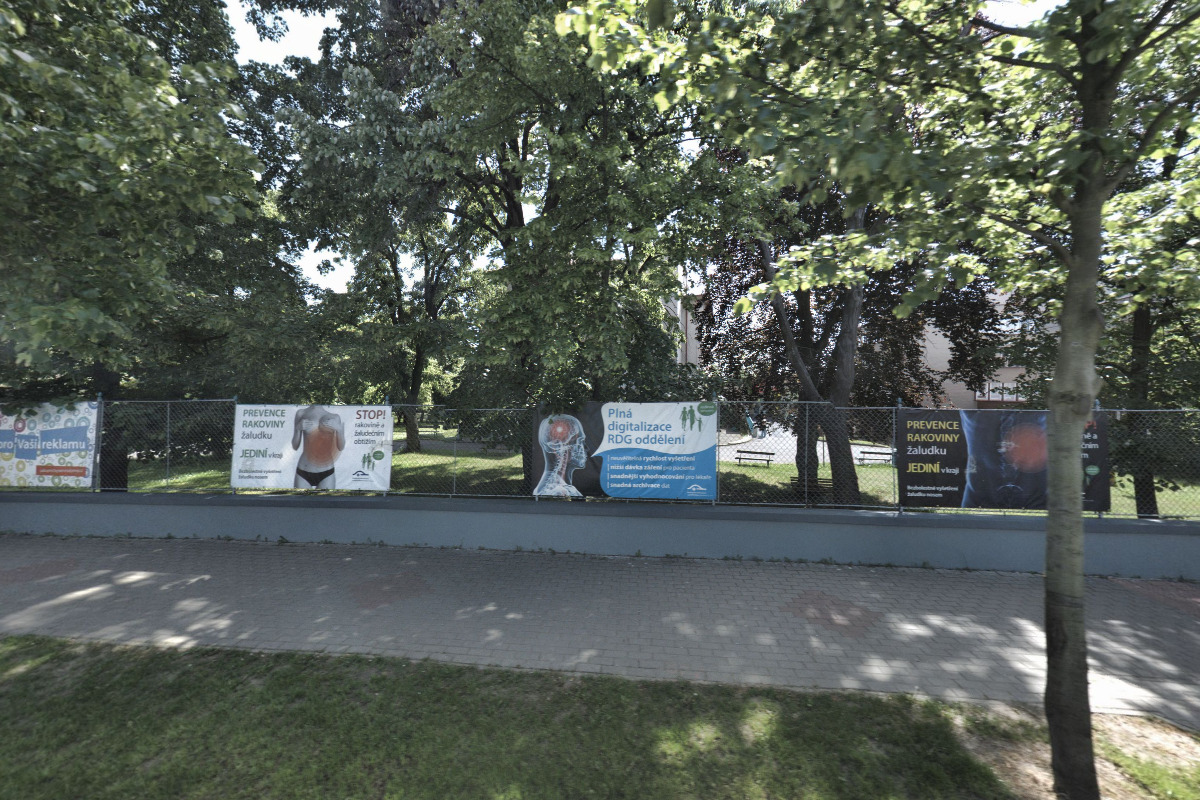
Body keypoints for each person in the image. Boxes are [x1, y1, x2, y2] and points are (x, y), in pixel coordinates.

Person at [291, 405, 345, 489]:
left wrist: (339, 429)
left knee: (325, 502)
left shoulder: (335, 417)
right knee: (300, 502)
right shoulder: (301, 413)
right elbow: (295, 446)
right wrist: (298, 429)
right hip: (304, 469)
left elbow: (341, 447)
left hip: (327, 471)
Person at [534, 414, 586, 497]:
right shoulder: (558, 492)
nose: (585, 448)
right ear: (557, 447)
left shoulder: (566, 489)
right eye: (579, 441)